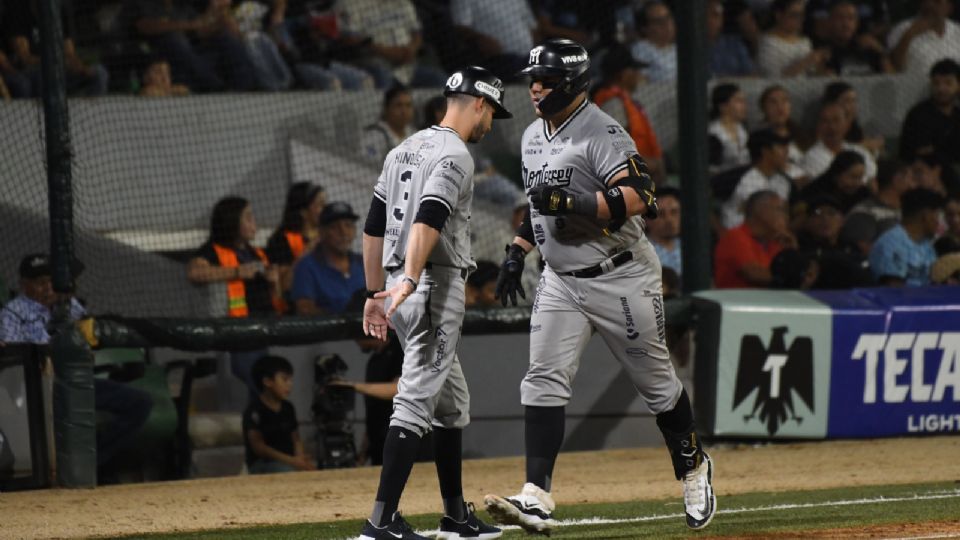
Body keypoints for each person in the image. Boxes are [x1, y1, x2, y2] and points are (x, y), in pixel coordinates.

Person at [486, 39, 716, 534]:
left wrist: (575, 202)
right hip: (561, 280)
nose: (534, 86)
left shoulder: (601, 131)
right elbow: (538, 203)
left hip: (620, 275)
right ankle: (536, 495)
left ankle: (693, 466)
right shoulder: (531, 135)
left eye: (543, 78)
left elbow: (642, 195)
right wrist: (517, 250)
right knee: (543, 379)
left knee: (656, 385)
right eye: (532, 78)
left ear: (570, 81)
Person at [356, 65, 510, 540]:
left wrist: (373, 291)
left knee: (452, 402)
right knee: (415, 401)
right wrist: (410, 280)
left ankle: (455, 516)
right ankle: (380, 522)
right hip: (431, 287)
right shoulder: (455, 154)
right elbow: (430, 218)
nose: (491, 124)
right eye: (492, 113)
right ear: (479, 103)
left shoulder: (404, 147)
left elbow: (373, 226)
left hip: (401, 287)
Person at [0, 254, 153, 478]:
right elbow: (14, 360)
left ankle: (91, 461)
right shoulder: (13, 312)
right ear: (25, 285)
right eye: (41, 282)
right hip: (37, 391)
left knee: (140, 402)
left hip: (76, 383)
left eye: (51, 280)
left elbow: (86, 339)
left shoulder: (69, 304)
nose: (48, 287)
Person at [187, 196, 281, 397]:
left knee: (265, 382)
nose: (253, 222)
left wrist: (274, 282)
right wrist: (236, 272)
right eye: (247, 217)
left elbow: (275, 295)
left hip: (264, 327)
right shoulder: (213, 251)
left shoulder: (257, 254)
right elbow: (195, 273)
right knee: (253, 380)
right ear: (232, 222)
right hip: (238, 329)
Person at [127, 0, 257, 92]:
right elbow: (143, 26)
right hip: (159, 60)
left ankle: (243, 87)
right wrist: (188, 25)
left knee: (224, 39)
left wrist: (218, 14)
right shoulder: (143, 3)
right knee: (173, 40)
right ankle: (217, 87)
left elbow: (201, 30)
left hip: (191, 61)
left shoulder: (182, 5)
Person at [2, 0, 109, 96]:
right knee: (40, 78)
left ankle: (85, 112)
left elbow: (70, 54)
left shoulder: (59, 12)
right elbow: (24, 58)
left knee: (100, 73)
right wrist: (52, 62)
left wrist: (81, 68)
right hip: (32, 71)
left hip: (60, 70)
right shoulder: (19, 11)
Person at [592, 44, 665, 182]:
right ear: (624, 74)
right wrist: (651, 164)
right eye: (635, 70)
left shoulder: (627, 102)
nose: (639, 75)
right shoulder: (613, 105)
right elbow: (612, 153)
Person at [337, 0, 445, 88]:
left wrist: (411, 50)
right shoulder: (350, 4)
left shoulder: (403, 3)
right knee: (383, 77)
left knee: (440, 80)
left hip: (408, 66)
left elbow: (416, 33)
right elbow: (350, 39)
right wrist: (386, 52)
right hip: (374, 65)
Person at [243, 355, 315, 473]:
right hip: (264, 463)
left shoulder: (288, 407)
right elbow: (259, 448)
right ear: (267, 381)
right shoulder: (254, 410)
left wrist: (300, 458)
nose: (289, 384)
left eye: (290, 380)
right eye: (284, 379)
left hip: (289, 460)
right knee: (286, 472)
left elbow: (295, 438)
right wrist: (291, 461)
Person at [291, 201, 365, 315]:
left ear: (354, 231)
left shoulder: (363, 263)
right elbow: (304, 309)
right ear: (321, 232)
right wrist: (342, 318)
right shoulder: (306, 267)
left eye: (348, 225)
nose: (343, 232)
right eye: (334, 227)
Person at [715, 190, 795, 288]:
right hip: (737, 302)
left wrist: (792, 251)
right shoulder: (735, 236)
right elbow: (754, 274)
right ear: (760, 209)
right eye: (779, 209)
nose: (785, 217)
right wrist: (789, 277)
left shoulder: (776, 243)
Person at [869, 188, 945, 286]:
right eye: (937, 214)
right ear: (926, 215)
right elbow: (894, 288)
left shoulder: (927, 246)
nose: (939, 221)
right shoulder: (890, 244)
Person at [721, 129, 794, 229]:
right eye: (781, 147)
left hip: (768, 242)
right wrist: (719, 230)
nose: (787, 152)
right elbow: (705, 199)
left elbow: (798, 211)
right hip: (736, 237)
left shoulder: (785, 182)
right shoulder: (737, 176)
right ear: (766, 152)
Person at [265, 182, 326, 304]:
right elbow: (284, 286)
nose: (326, 209)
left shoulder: (328, 237)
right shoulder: (281, 240)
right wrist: (307, 251)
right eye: (320, 204)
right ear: (303, 211)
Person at [899, 59, 960, 166]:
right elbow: (920, 153)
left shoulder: (957, 114)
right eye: (936, 83)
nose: (941, 89)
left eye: (948, 83)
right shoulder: (919, 115)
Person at [799, 102, 876, 185]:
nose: (831, 127)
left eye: (836, 120)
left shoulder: (859, 151)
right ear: (819, 126)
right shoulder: (812, 157)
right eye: (825, 121)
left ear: (847, 125)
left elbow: (872, 182)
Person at [816, 0, 893, 76]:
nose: (845, 24)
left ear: (857, 23)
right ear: (830, 21)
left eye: (851, 18)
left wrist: (881, 53)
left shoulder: (870, 47)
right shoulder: (823, 52)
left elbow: (892, 79)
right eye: (840, 18)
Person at [758, 0, 830, 77]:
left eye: (801, 15)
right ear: (778, 15)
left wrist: (821, 64)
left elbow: (812, 74)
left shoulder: (805, 42)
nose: (800, 19)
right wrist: (806, 61)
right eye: (794, 15)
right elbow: (774, 77)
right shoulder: (768, 43)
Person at [887, 0, 960, 76]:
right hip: (916, 86)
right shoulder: (902, 29)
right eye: (926, 1)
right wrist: (909, 35)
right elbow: (894, 66)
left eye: (937, 2)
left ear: (949, 8)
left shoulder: (957, 30)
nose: (930, 5)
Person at [848, 158, 916, 235]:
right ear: (897, 179)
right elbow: (863, 245)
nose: (913, 186)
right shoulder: (865, 212)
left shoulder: (909, 214)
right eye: (911, 179)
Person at [757, 84, 808, 184]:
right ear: (764, 108)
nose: (780, 107)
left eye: (785, 101)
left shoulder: (801, 134)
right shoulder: (759, 138)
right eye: (773, 102)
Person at [821, 82, 885, 157]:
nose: (853, 106)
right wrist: (863, 146)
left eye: (854, 101)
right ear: (832, 103)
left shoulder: (857, 127)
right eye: (847, 101)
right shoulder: (827, 127)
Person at [796, 150, 870, 214]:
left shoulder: (863, 194)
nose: (857, 183)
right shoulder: (813, 193)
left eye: (860, 178)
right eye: (853, 177)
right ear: (836, 175)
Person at [360, 85, 416, 167]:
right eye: (398, 105)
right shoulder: (375, 135)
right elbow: (368, 168)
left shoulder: (415, 134)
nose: (404, 111)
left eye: (408, 105)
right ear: (387, 109)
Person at [708, 84, 750, 176]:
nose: (744, 106)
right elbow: (711, 170)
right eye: (739, 101)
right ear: (723, 106)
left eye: (744, 101)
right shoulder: (713, 133)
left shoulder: (743, 129)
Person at [707, 0, 757, 78]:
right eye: (715, 15)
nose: (719, 21)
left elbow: (751, 74)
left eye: (721, 16)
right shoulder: (692, 47)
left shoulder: (734, 44)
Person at [630, 1, 677, 83]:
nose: (667, 24)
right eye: (659, 21)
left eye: (668, 17)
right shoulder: (641, 49)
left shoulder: (678, 48)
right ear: (644, 28)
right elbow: (640, 81)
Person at [646, 187, 682, 280]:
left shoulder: (690, 247)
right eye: (661, 214)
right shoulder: (642, 252)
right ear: (647, 219)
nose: (669, 220)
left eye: (674, 212)